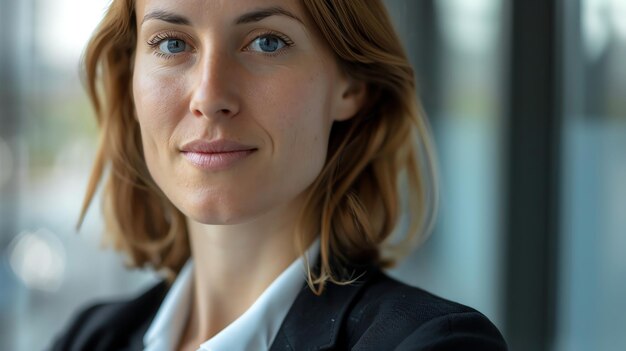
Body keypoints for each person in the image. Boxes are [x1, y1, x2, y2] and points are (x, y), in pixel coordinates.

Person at [51, 0, 507, 350]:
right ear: (130, 77)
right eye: (172, 43)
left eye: (267, 41)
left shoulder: (432, 343)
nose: (209, 96)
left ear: (350, 83)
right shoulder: (89, 338)